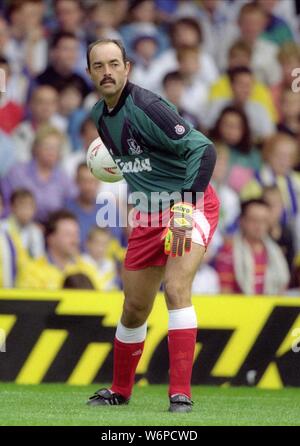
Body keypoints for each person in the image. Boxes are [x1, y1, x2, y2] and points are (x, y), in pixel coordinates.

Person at [85, 38, 219, 412]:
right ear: (91, 73)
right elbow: (141, 170)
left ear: (127, 68)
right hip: (148, 213)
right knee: (134, 308)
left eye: (115, 64)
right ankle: (120, 391)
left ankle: (180, 394)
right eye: (99, 66)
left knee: (176, 289)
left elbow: (203, 148)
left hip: (188, 203)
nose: (108, 71)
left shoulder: (148, 106)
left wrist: (187, 206)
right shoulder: (99, 118)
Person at [215, 199, 290, 295]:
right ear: (242, 221)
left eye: (264, 221)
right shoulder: (229, 250)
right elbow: (225, 292)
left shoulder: (275, 251)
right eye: (254, 220)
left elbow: (282, 288)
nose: (259, 226)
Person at [16, 210, 101, 290]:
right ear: (51, 238)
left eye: (76, 234)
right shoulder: (32, 271)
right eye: (68, 234)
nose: (75, 240)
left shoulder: (87, 269)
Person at [0, 188, 45, 258]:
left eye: (29, 207)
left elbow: (38, 257)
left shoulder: (36, 231)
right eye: (22, 206)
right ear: (12, 207)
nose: (26, 211)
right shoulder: (3, 227)